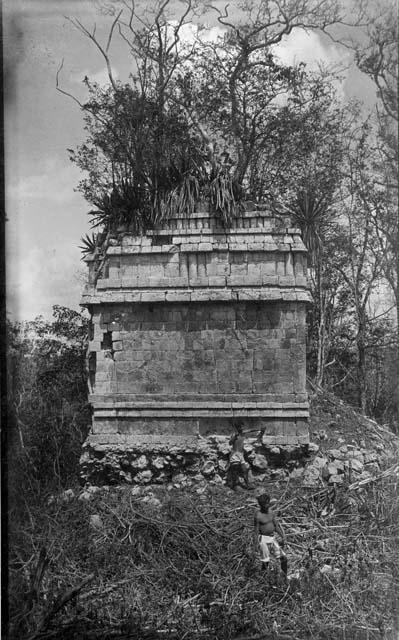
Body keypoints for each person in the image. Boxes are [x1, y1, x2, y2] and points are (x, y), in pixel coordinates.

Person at [254, 493, 288, 575]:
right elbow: (256, 530)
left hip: (272, 537)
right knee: (265, 561)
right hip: (263, 539)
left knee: (283, 558)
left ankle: (285, 576)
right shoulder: (258, 515)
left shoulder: (271, 512)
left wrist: (283, 536)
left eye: (267, 503)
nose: (266, 505)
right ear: (261, 505)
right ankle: (263, 579)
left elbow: (275, 526)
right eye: (264, 504)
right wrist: (255, 544)